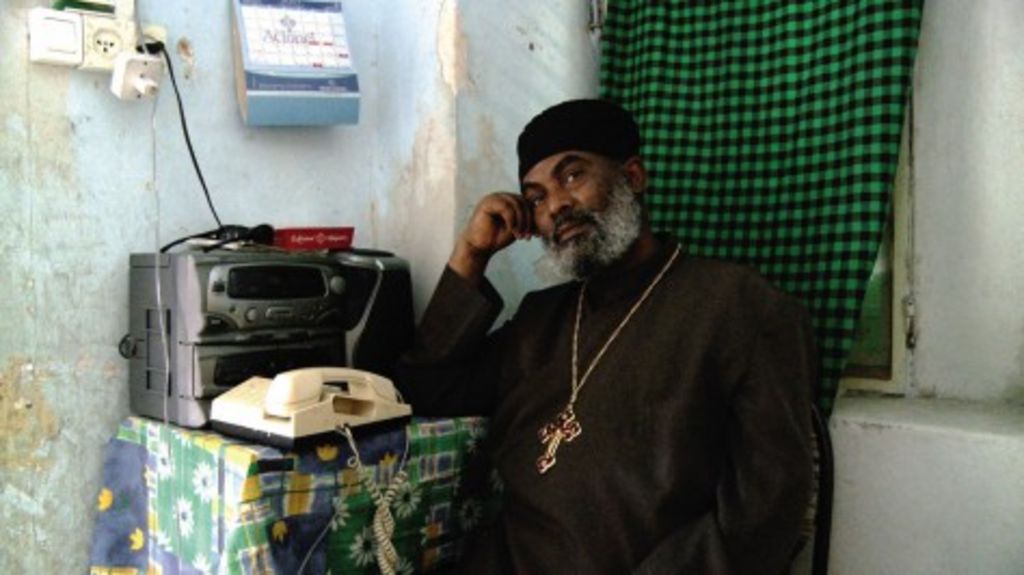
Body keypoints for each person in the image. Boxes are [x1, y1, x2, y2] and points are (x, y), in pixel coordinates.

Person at [396, 99, 816, 574]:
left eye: (573, 176)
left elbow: (765, 513)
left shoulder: (740, 307)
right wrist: (471, 254)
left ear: (633, 177)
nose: (556, 205)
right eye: (535, 198)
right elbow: (425, 389)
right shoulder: (540, 320)